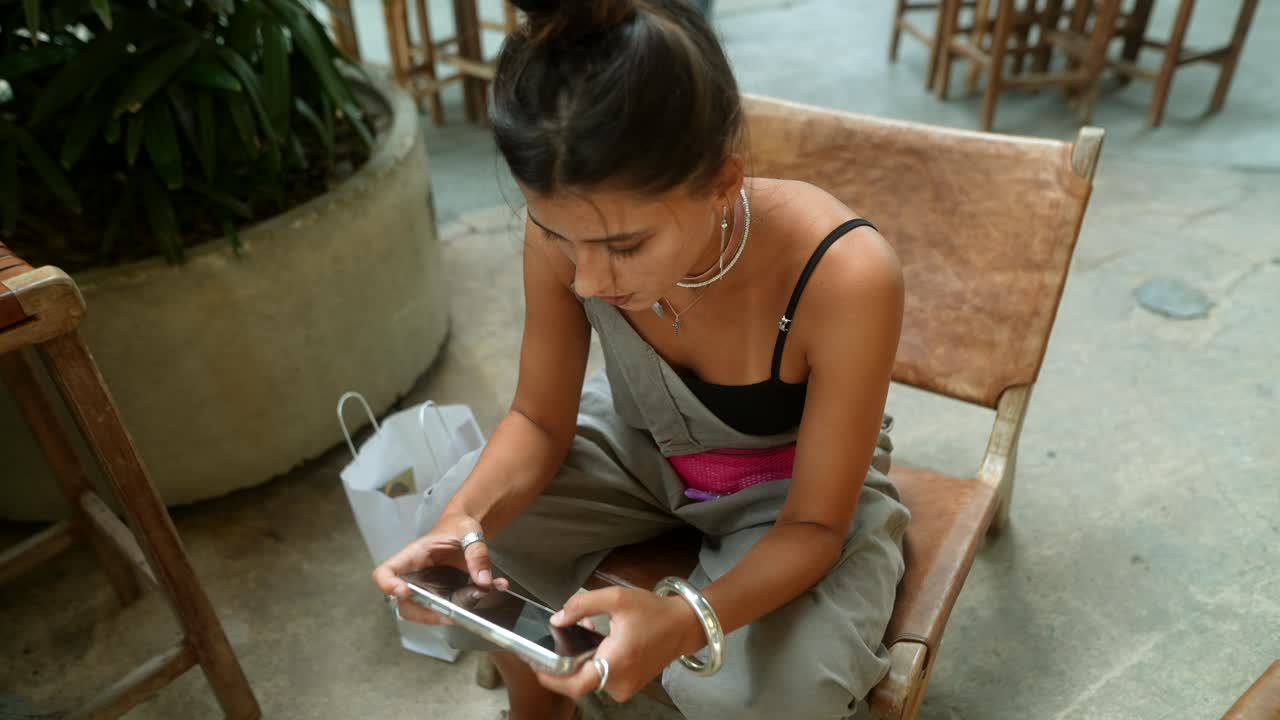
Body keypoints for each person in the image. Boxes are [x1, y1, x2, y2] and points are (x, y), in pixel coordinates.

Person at [372, 1, 910, 718]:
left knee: (779, 696)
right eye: (563, 239)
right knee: (465, 540)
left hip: (790, 489)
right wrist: (464, 517)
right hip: (641, 445)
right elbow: (538, 418)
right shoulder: (563, 231)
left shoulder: (845, 275)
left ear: (723, 180)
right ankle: (541, 705)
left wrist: (687, 618)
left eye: (625, 247)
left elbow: (815, 528)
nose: (590, 282)